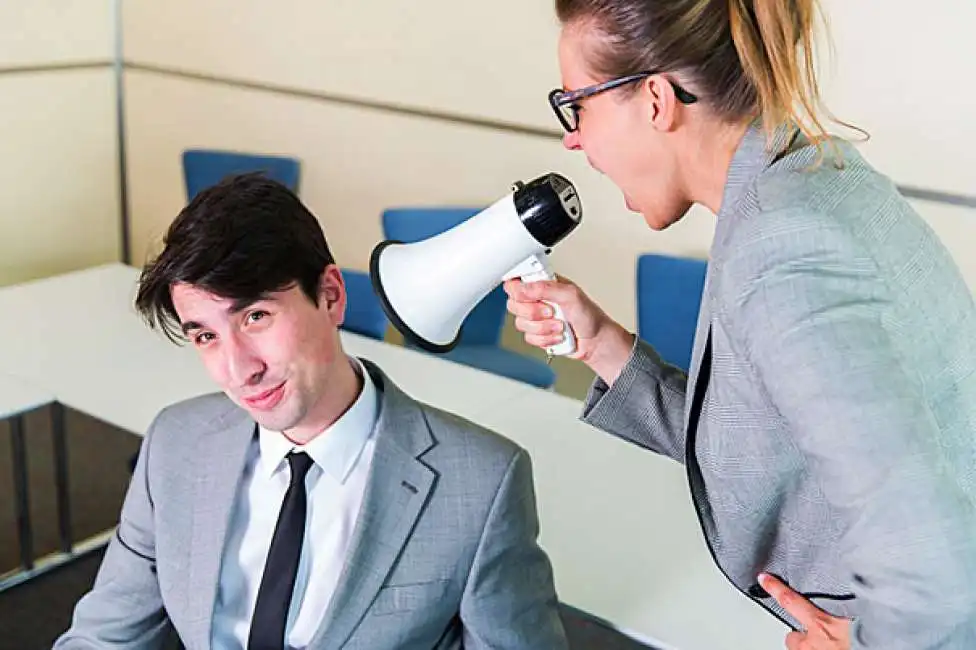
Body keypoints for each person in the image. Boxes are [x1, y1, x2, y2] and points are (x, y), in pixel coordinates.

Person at [504, 1, 976, 648]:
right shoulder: (810, 179)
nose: (573, 139)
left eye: (576, 104)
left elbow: (934, 568)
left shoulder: (781, 254)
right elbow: (752, 441)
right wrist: (602, 345)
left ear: (654, 100)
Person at [55, 173, 569, 650]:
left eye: (255, 316)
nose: (238, 370)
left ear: (330, 296)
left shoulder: (481, 484)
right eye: (206, 335)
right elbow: (100, 639)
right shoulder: (175, 443)